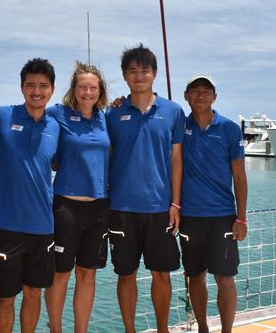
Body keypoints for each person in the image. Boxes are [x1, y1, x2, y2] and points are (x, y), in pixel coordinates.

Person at [106, 44, 184, 333]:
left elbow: (177, 160)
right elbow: (106, 154)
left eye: (145, 70)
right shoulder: (112, 114)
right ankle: (129, 329)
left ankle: (162, 329)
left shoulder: (174, 112)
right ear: (125, 76)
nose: (139, 76)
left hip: (159, 208)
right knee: (126, 275)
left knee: (161, 275)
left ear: (155, 74)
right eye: (132, 71)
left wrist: (175, 204)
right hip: (121, 208)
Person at [0, 58, 60, 333]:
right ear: (21, 88)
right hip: (6, 224)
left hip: (43, 225)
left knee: (34, 293)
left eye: (43, 86)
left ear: (52, 90)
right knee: (5, 296)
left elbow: (57, 163)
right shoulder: (2, 116)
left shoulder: (56, 126)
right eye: (31, 85)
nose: (37, 91)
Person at [44, 62, 111, 333]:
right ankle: (56, 329)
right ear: (73, 89)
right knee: (60, 275)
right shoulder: (58, 114)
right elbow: (31, 114)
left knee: (87, 274)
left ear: (100, 91)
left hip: (99, 208)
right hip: (66, 208)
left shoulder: (106, 117)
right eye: (82, 86)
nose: (87, 92)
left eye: (93, 87)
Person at [179, 74, 248, 333]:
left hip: (223, 216)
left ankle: (227, 331)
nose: (200, 96)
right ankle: (203, 329)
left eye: (206, 91)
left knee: (224, 277)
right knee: (194, 277)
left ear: (215, 97)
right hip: (190, 216)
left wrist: (241, 218)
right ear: (186, 96)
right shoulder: (178, 127)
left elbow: (239, 176)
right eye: (194, 91)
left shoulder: (229, 129)